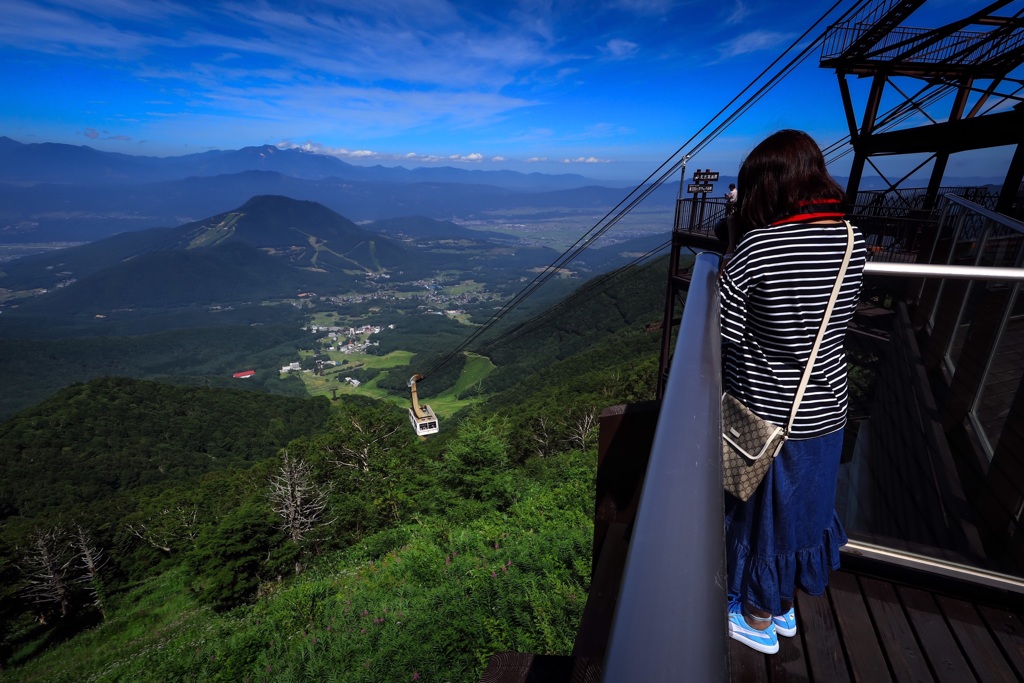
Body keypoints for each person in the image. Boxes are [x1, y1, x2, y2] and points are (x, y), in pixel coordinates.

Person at [718, 130, 866, 654]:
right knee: (803, 512)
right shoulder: (853, 239)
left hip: (767, 414)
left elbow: (726, 332)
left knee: (763, 520)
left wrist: (735, 231)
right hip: (828, 408)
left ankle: (755, 619)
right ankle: (780, 608)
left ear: (768, 185)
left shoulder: (758, 246)